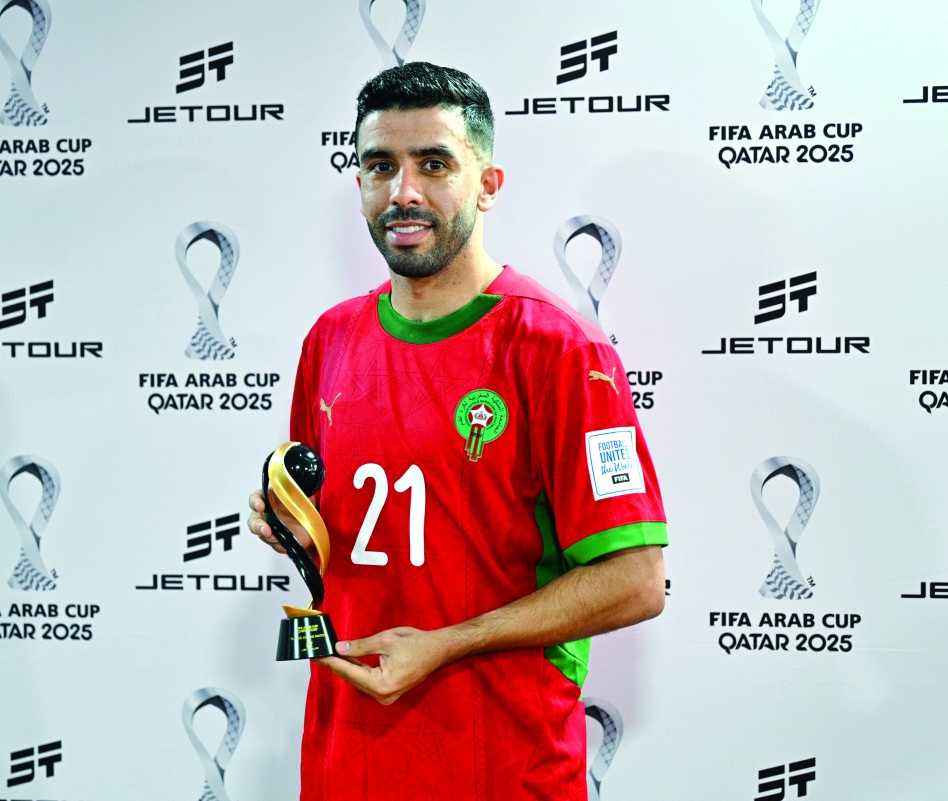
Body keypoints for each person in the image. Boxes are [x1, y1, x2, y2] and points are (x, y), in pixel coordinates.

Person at [248, 61, 667, 801]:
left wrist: (448, 644)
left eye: (434, 165)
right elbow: (378, 534)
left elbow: (634, 581)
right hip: (346, 763)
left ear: (487, 184)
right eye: (382, 166)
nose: (403, 192)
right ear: (359, 184)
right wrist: (289, 522)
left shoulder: (560, 349)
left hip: (500, 766)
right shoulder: (330, 340)